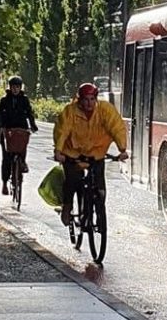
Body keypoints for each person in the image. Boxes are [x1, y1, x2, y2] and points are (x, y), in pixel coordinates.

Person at [53, 82, 129, 226]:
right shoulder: (70, 111)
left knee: (99, 186)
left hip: (96, 154)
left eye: (92, 99)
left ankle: (99, 212)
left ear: (96, 99)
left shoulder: (105, 110)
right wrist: (58, 151)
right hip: (73, 154)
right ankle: (67, 207)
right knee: (71, 181)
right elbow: (62, 131)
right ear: (79, 100)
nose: (89, 103)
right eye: (85, 100)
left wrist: (122, 149)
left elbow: (116, 127)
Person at [0, 76, 39, 195]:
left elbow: (29, 114)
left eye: (18, 87)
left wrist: (33, 126)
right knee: (6, 158)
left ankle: (22, 163)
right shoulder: (4, 100)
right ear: (10, 87)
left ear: (20, 88)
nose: (15, 89)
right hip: (7, 130)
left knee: (22, 148)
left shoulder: (24, 100)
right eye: (13, 87)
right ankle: (4, 183)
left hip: (21, 129)